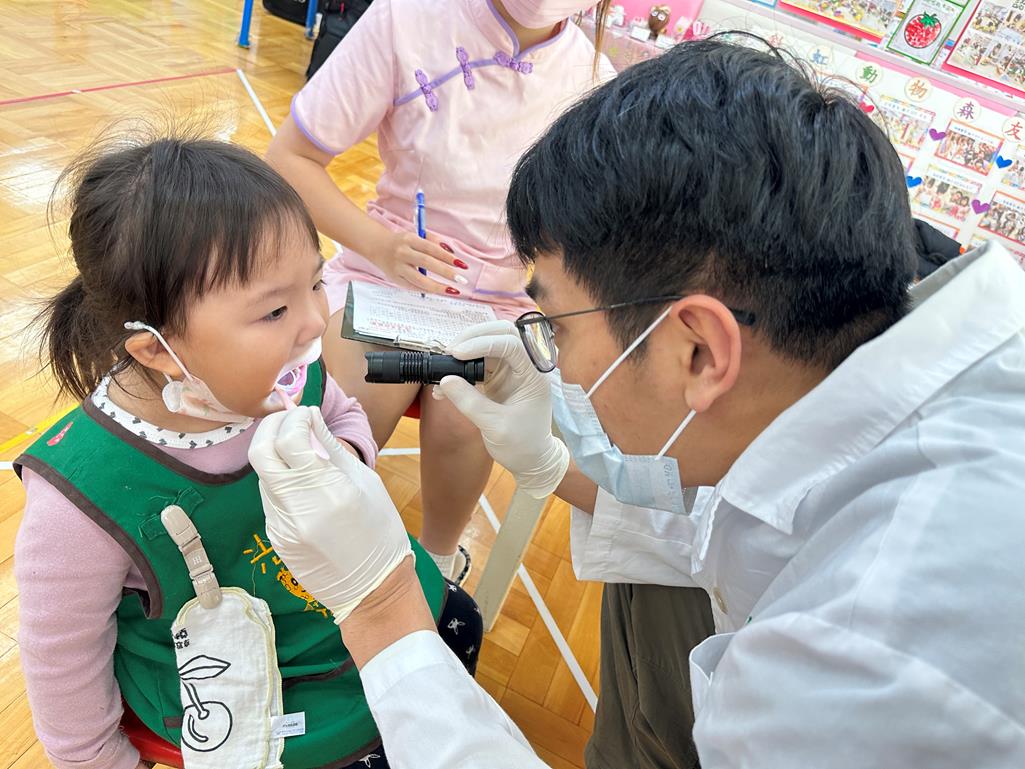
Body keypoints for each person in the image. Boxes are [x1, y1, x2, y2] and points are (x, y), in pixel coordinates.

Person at [249, 38, 1025, 768]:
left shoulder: (873, 658)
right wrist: (551, 462)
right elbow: (727, 523)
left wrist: (381, 605)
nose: (553, 359)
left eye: (555, 325)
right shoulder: (855, 376)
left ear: (699, 351)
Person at [14, 136, 482, 769]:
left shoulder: (288, 375)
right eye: (275, 310)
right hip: (255, 686)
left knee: (461, 621)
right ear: (156, 349)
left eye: (316, 282)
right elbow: (61, 663)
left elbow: (343, 412)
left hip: (338, 612)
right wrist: (98, 759)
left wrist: (344, 457)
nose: (314, 322)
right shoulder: (82, 497)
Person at [265, 0, 616, 583]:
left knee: (466, 409)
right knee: (367, 386)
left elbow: (590, 240)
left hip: (503, 299)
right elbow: (290, 157)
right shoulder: (407, 18)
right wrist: (380, 246)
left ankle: (439, 563)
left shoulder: (595, 81)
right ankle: (313, 551)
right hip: (386, 272)